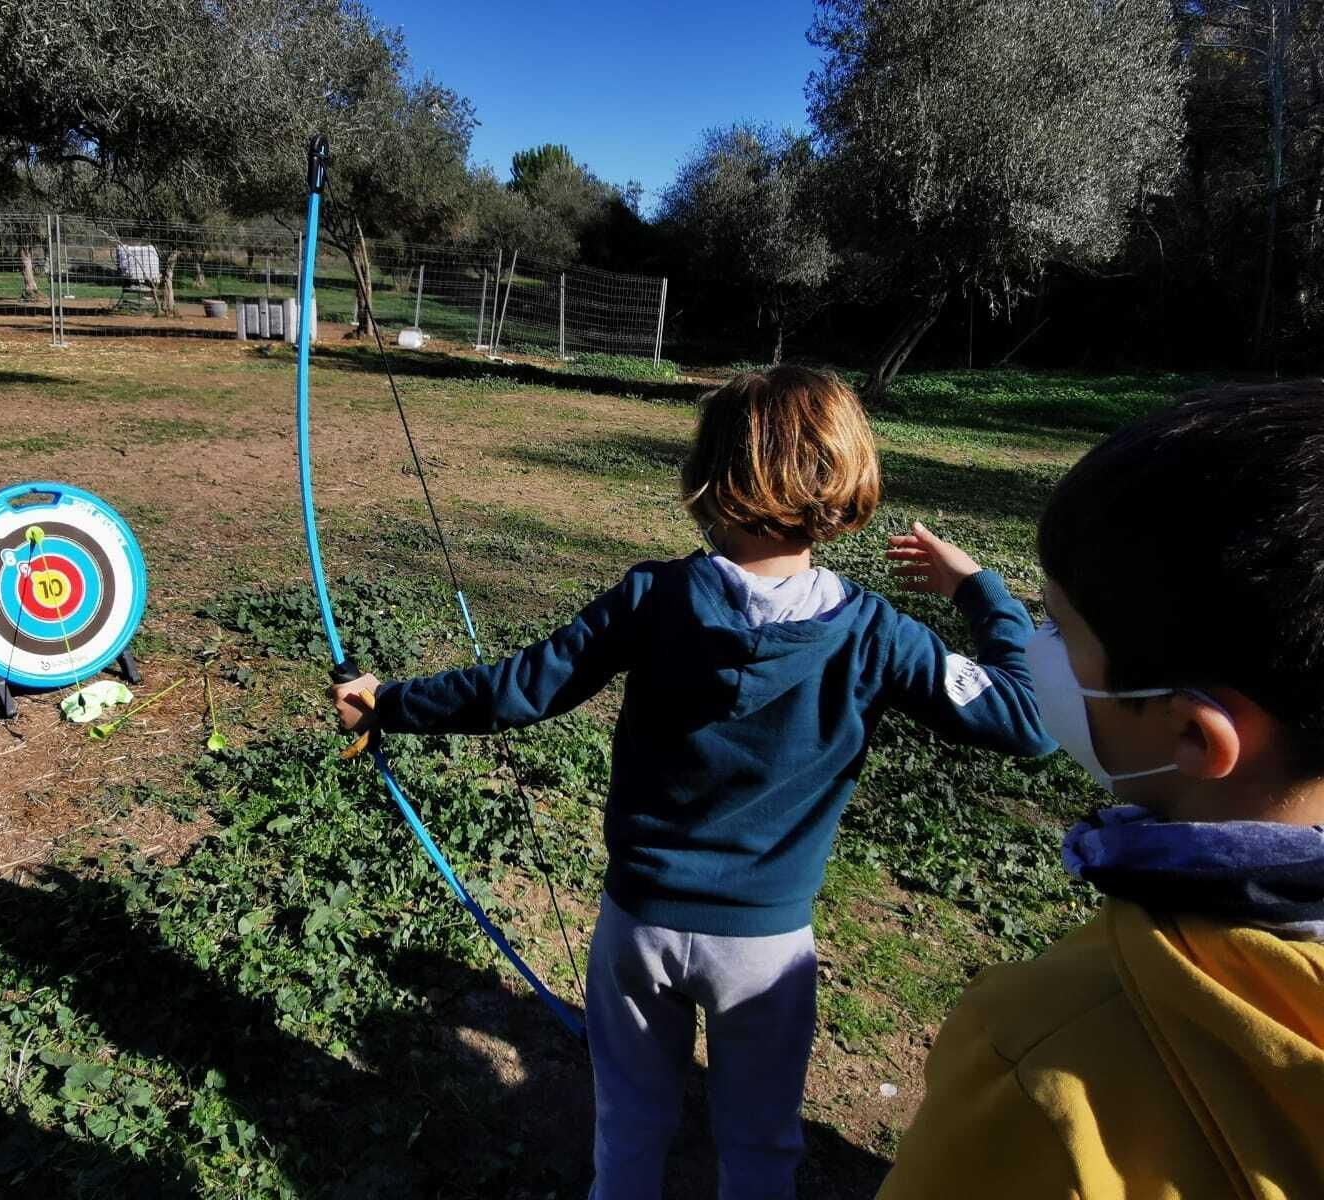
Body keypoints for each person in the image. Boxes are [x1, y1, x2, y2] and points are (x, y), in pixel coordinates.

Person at [331, 366, 1053, 1199]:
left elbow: (518, 690)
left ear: (709, 480)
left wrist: (388, 703)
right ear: (844, 482)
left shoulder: (653, 597)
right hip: (765, 951)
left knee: (630, 1129)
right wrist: (978, 591)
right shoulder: (879, 635)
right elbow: (1025, 719)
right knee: (757, 1149)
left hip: (638, 926)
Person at [878, 383, 1324, 1199]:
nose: (1044, 649)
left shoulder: (1039, 1056)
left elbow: (1019, 712)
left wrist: (985, 599)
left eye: (1060, 631)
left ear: (1195, 736)